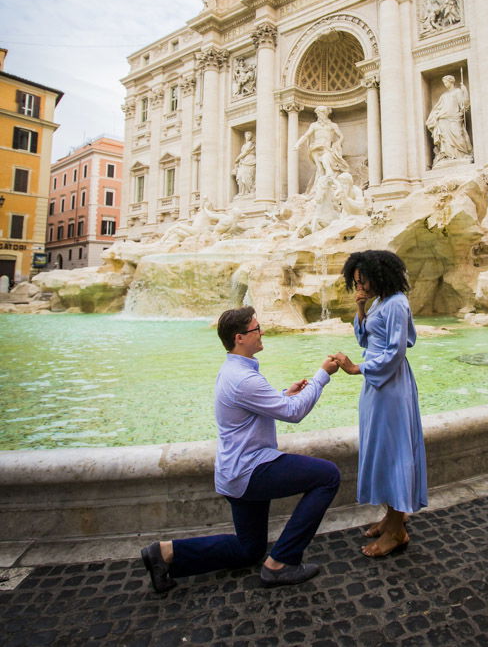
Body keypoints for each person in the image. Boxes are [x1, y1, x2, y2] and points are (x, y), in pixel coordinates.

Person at [141, 306, 340, 594]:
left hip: (235, 471)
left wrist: (284, 393)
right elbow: (294, 413)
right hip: (252, 469)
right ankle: (281, 563)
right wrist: (322, 375)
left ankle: (165, 554)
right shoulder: (244, 379)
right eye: (256, 329)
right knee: (328, 476)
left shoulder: (235, 371)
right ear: (240, 338)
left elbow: (260, 406)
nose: (262, 333)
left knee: (249, 550)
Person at [331, 250, 427, 557]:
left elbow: (397, 350)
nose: (360, 286)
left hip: (390, 385)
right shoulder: (380, 302)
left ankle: (397, 531)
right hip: (377, 385)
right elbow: (366, 341)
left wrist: (357, 368)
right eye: (356, 282)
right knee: (383, 448)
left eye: (364, 281)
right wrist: (360, 308)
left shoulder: (397, 302)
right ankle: (391, 516)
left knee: (394, 450)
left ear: (380, 275)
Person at [294, 105, 349, 184]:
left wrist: (338, 143)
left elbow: (341, 136)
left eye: (321, 113)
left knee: (325, 159)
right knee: (319, 168)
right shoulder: (314, 125)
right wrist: (298, 144)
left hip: (326, 148)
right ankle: (319, 186)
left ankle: (327, 180)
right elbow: (306, 135)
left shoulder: (333, 125)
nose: (319, 115)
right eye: (318, 114)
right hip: (315, 148)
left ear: (326, 114)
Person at [425, 74, 472, 165]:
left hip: (455, 118)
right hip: (443, 119)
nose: (445, 84)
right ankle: (448, 156)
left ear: (451, 82)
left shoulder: (457, 92)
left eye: (446, 82)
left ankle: (462, 154)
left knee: (458, 135)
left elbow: (464, 104)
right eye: (444, 83)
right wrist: (435, 116)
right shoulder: (444, 95)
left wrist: (465, 91)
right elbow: (438, 107)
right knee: (445, 139)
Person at [233, 130, 256, 195]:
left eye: (249, 134)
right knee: (240, 175)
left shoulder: (251, 144)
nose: (247, 136)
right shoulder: (244, 145)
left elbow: (246, 152)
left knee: (248, 176)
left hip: (250, 160)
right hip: (243, 161)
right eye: (246, 134)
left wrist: (237, 158)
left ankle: (249, 190)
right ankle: (242, 191)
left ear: (251, 136)